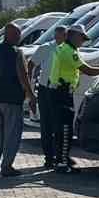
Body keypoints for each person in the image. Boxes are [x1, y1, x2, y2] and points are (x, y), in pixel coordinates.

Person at [45, 23, 99, 173]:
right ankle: (62, 163)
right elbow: (87, 70)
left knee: (61, 128)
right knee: (65, 129)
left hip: (58, 92)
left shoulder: (63, 48)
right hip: (62, 93)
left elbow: (78, 68)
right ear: (73, 36)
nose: (83, 41)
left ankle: (61, 159)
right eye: (81, 38)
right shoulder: (70, 52)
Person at [0, 23, 34, 177]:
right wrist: (31, 95)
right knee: (11, 135)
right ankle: (7, 166)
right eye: (18, 35)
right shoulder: (17, 53)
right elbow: (23, 75)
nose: (19, 38)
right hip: (12, 100)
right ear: (11, 35)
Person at [33, 25, 68, 167]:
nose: (61, 37)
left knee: (59, 125)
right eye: (59, 35)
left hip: (61, 90)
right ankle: (49, 157)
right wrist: (30, 86)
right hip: (46, 90)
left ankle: (59, 156)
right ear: (55, 35)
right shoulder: (46, 48)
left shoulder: (70, 50)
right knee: (46, 125)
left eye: (64, 35)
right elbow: (31, 64)